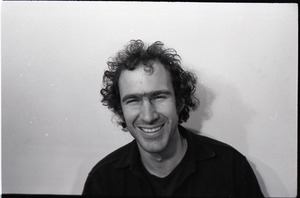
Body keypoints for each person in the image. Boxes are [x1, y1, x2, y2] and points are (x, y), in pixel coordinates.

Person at [82, 40, 264, 197]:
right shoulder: (103, 180)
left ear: (180, 101)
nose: (148, 116)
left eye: (159, 97)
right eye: (133, 100)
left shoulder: (231, 168)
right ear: (120, 109)